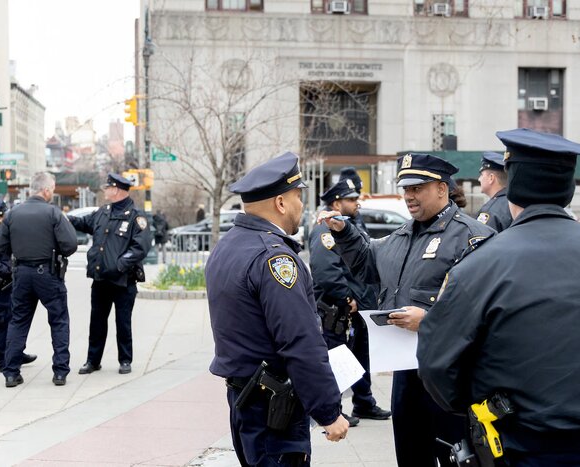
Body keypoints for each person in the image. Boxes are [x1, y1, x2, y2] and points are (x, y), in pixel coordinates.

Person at [417, 128, 580, 465]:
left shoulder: (478, 266)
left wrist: (486, 405)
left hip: (519, 445)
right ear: (569, 189)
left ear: (513, 185)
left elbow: (436, 363)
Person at [320, 153, 495, 467]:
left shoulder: (472, 237)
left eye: (417, 188)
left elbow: (485, 311)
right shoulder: (403, 235)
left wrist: (429, 321)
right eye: (405, 188)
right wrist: (344, 233)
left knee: (455, 457)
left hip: (451, 376)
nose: (409, 196)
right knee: (411, 453)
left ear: (441, 188)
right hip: (406, 374)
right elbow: (369, 263)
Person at [206, 151, 348, 466]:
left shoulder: (228, 246)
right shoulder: (274, 259)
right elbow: (299, 341)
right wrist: (328, 411)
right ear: (281, 203)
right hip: (273, 410)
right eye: (298, 197)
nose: (302, 205)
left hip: (246, 402)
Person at [309, 178, 391, 427]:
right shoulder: (325, 231)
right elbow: (326, 272)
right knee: (337, 359)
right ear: (336, 203)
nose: (357, 203)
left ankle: (364, 402)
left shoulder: (350, 226)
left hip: (356, 308)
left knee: (359, 357)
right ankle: (335, 410)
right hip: (337, 309)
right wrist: (347, 299)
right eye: (351, 200)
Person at [0, 172, 77, 387]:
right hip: (48, 274)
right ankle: (60, 372)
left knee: (18, 321)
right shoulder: (53, 213)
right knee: (58, 321)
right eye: (53, 188)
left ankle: (11, 373)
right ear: (46, 189)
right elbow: (70, 245)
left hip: (21, 273)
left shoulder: (12, 214)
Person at [69, 173, 152, 376]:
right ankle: (93, 360)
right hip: (100, 279)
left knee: (123, 322)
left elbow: (141, 247)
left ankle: (125, 360)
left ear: (116, 190)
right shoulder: (103, 212)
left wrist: (120, 265)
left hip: (123, 280)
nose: (104, 190)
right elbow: (82, 223)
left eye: (107, 187)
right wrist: (62, 218)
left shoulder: (135, 216)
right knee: (96, 322)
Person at [0, 200, 37, 373]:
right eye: (5, 214)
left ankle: (16, 353)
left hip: (10, 287)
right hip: (1, 289)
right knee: (4, 324)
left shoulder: (2, 233)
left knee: (14, 321)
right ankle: (3, 360)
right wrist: (10, 271)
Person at [475, 151, 512, 232]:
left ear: (491, 178)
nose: (479, 179)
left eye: (481, 175)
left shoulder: (490, 211)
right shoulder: (515, 203)